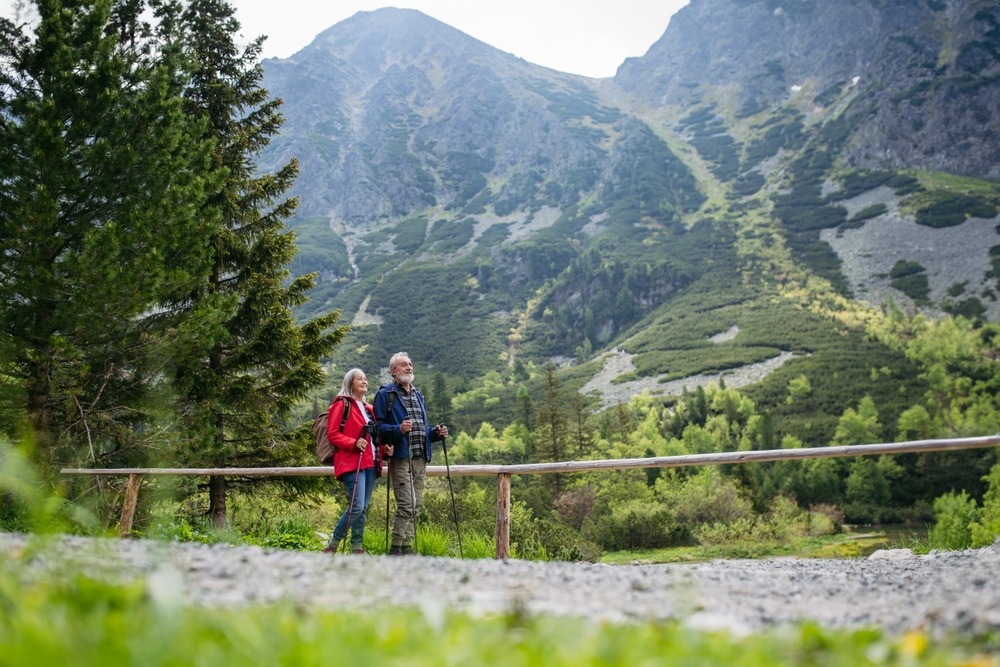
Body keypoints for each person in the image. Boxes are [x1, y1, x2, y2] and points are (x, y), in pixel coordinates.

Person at [374, 351, 448, 556]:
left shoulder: (418, 395)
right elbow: (378, 427)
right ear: (393, 371)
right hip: (401, 457)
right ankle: (395, 548)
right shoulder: (386, 394)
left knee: (417, 505)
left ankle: (407, 548)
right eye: (404, 364)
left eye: (410, 364)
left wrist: (436, 433)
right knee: (407, 504)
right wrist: (398, 429)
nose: (409, 367)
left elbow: (422, 431)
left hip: (420, 457)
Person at [323, 368, 389, 554]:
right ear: (350, 383)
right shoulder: (341, 404)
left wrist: (384, 450)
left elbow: (372, 438)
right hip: (352, 462)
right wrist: (353, 443)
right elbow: (333, 434)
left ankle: (357, 548)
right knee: (357, 506)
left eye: (365, 378)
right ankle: (333, 544)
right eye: (360, 379)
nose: (364, 381)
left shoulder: (369, 409)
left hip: (371, 462)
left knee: (363, 508)